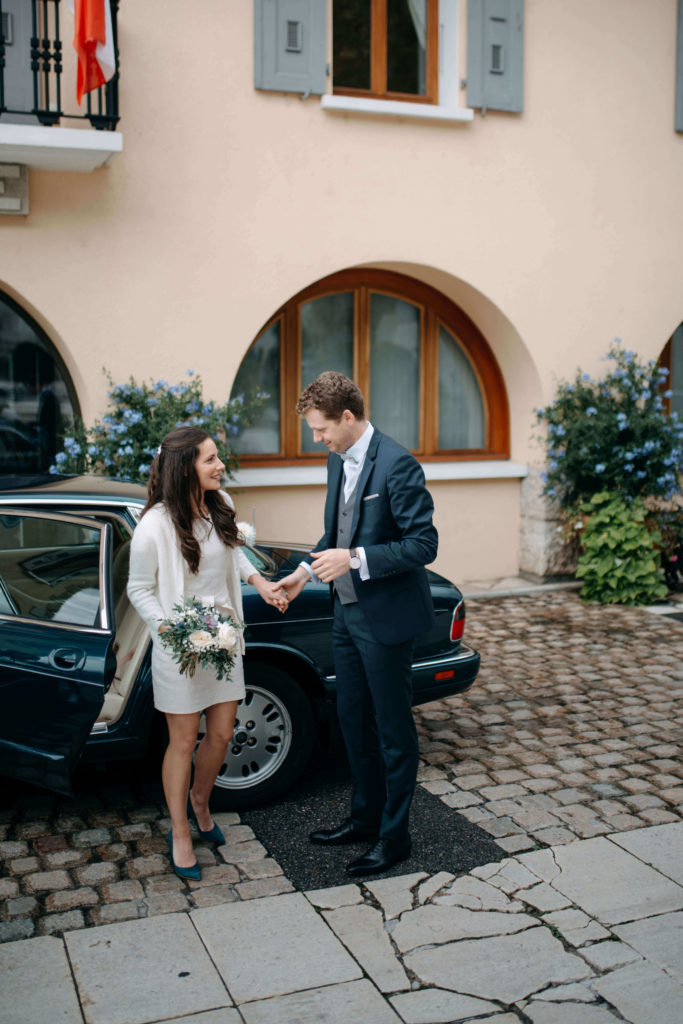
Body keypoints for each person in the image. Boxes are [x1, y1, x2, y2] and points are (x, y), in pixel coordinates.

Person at [278, 372, 438, 876]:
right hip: (346, 614)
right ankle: (364, 818)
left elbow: (423, 545)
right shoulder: (337, 460)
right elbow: (336, 532)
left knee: (392, 731)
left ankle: (395, 838)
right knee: (352, 721)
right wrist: (303, 574)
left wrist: (357, 559)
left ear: (348, 417)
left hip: (387, 619)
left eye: (321, 429)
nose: (317, 439)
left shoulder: (398, 464)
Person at [127, 426, 287, 880]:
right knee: (182, 740)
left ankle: (201, 800)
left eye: (217, 457)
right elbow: (138, 588)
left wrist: (260, 582)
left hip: (224, 639)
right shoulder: (154, 526)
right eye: (210, 459)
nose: (220, 466)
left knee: (220, 735)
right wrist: (171, 632)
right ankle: (180, 829)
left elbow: (233, 554)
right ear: (185, 469)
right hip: (180, 647)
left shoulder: (223, 506)